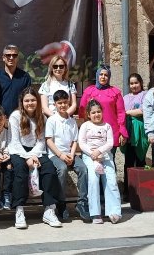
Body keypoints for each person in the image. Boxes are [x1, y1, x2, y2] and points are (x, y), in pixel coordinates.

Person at [7, 86, 64, 228]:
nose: (30, 103)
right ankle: (19, 211)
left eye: (33, 100)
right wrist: (27, 157)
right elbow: (14, 141)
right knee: (20, 170)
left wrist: (33, 155)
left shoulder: (42, 117)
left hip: (37, 151)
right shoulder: (15, 116)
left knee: (49, 170)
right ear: (22, 102)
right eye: (27, 100)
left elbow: (41, 141)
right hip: (18, 151)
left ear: (37, 101)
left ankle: (49, 210)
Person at [45, 89, 89, 221]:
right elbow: (49, 141)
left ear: (69, 103)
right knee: (62, 169)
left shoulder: (71, 121)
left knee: (83, 168)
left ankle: (82, 202)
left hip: (70, 153)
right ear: (55, 104)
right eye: (60, 103)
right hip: (55, 154)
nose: (63, 105)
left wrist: (71, 154)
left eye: (65, 102)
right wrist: (61, 155)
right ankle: (61, 203)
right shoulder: (52, 120)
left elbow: (74, 140)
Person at [79, 99, 123, 224]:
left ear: (102, 112)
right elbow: (81, 142)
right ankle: (95, 213)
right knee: (93, 180)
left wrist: (99, 152)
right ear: (88, 114)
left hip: (105, 156)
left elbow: (110, 143)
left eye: (98, 112)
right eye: (93, 113)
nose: (96, 114)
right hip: (90, 156)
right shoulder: (85, 126)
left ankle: (114, 212)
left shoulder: (107, 126)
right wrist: (92, 153)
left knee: (111, 181)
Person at [79, 65, 128, 151]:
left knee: (110, 160)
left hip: (111, 132)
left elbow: (121, 113)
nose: (103, 77)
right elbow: (82, 112)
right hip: (92, 133)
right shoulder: (88, 92)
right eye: (101, 74)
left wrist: (122, 131)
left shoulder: (115, 92)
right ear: (97, 76)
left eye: (106, 75)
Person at [121, 73, 149, 193]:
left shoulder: (145, 95)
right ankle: (128, 191)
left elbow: (143, 110)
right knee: (128, 162)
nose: (134, 85)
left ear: (141, 83)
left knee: (140, 160)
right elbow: (120, 112)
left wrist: (128, 113)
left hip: (140, 132)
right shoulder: (125, 98)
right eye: (131, 83)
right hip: (128, 132)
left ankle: (142, 190)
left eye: (136, 83)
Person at [0, 44, 32, 116]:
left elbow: (27, 97)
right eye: (8, 55)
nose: (11, 58)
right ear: (3, 58)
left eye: (14, 55)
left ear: (17, 58)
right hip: (0, 118)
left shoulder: (25, 76)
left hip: (20, 116)